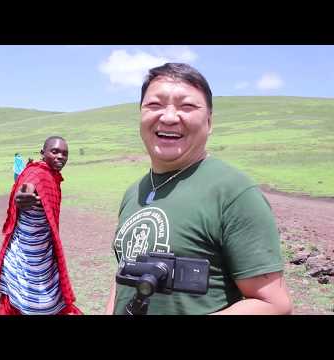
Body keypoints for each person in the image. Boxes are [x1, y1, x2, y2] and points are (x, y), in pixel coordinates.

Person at [106, 63, 292, 315]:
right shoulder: (134, 192)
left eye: (187, 106)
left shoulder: (233, 192)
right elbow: (123, 278)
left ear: (209, 121)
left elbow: (274, 305)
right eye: (154, 105)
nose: (169, 117)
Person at [0, 136, 82, 315]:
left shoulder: (52, 176)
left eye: (64, 153)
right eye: (54, 151)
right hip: (26, 254)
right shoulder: (37, 173)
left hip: (42, 250)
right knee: (38, 305)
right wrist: (21, 197)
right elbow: (26, 188)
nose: (60, 156)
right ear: (43, 153)